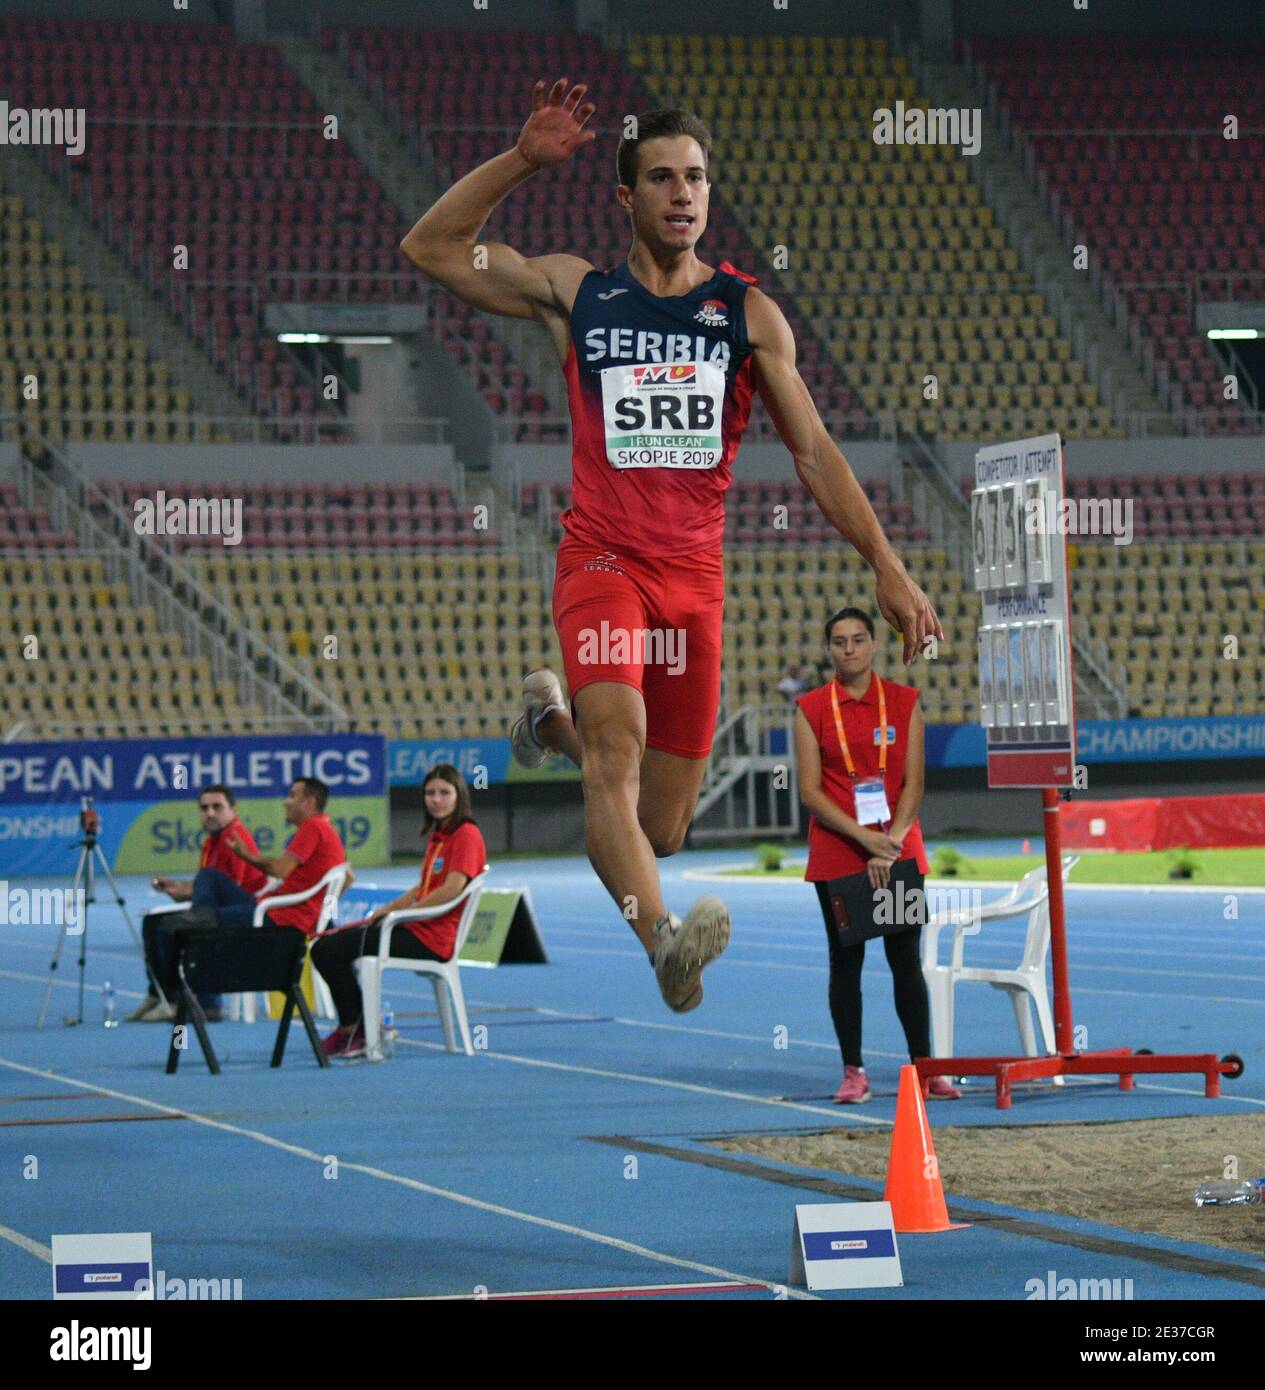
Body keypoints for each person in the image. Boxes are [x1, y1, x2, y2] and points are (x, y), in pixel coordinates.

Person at [400, 81, 941, 1015]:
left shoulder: (746, 316)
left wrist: (886, 566)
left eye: (694, 177)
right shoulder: (578, 292)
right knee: (616, 759)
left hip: (693, 589)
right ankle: (663, 941)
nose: (682, 194)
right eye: (660, 178)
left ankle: (546, 727)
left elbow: (813, 452)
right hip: (603, 564)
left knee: (662, 825)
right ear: (626, 197)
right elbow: (431, 247)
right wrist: (523, 160)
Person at [794, 608, 959, 1104]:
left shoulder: (905, 703)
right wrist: (866, 841)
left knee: (905, 959)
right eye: (839, 641)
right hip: (840, 850)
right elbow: (809, 791)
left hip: (898, 846)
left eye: (858, 639)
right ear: (829, 650)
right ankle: (854, 1071)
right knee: (846, 962)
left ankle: (924, 1069)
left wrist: (893, 838)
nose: (849, 649)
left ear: (873, 645)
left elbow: (914, 782)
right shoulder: (811, 708)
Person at [312, 765, 487, 1059]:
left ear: (460, 796)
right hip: (415, 929)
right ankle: (358, 1027)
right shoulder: (439, 835)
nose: (436, 799)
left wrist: (404, 915)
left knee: (328, 949)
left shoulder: (466, 834)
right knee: (326, 946)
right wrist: (388, 909)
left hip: (432, 939)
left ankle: (357, 1030)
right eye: (430, 793)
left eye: (445, 792)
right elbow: (424, 887)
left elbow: (452, 889)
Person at [139, 777, 348, 1017]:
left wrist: (245, 854)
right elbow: (347, 875)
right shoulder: (323, 829)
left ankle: (197, 997)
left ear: (309, 802)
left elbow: (280, 869)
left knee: (184, 922)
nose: (284, 802)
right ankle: (168, 993)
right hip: (274, 908)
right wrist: (322, 908)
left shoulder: (313, 827)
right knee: (175, 915)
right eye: (204, 808)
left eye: (291, 795)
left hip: (279, 916)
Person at [130, 784, 268, 1022]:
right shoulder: (210, 843)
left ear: (233, 810)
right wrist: (177, 888)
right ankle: (161, 994)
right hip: (220, 906)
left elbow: (222, 887)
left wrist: (187, 892)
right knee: (153, 922)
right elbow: (205, 891)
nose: (210, 813)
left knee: (184, 922)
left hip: (247, 911)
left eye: (217, 807)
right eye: (204, 808)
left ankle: (202, 1001)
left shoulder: (235, 838)